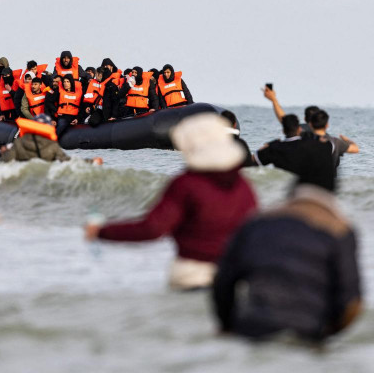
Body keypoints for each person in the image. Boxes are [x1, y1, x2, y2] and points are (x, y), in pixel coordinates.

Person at [86, 114, 257, 290]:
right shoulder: (243, 185)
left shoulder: (187, 183)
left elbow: (152, 228)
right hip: (234, 274)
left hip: (193, 274)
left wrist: (101, 232)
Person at [214, 183, 362, 342]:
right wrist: (328, 332)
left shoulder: (255, 224)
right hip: (308, 331)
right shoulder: (340, 232)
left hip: (253, 327)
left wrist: (228, 325)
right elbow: (351, 303)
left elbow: (223, 282)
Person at [253, 114, 336, 191]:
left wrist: (267, 146)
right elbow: (330, 147)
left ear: (283, 131)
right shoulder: (311, 144)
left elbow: (253, 160)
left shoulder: (275, 147)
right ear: (299, 129)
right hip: (314, 190)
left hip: (285, 190)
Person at [0, 114, 103, 164]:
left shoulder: (20, 142)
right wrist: (91, 161)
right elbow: (69, 162)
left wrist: (2, 153)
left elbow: (5, 160)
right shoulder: (52, 147)